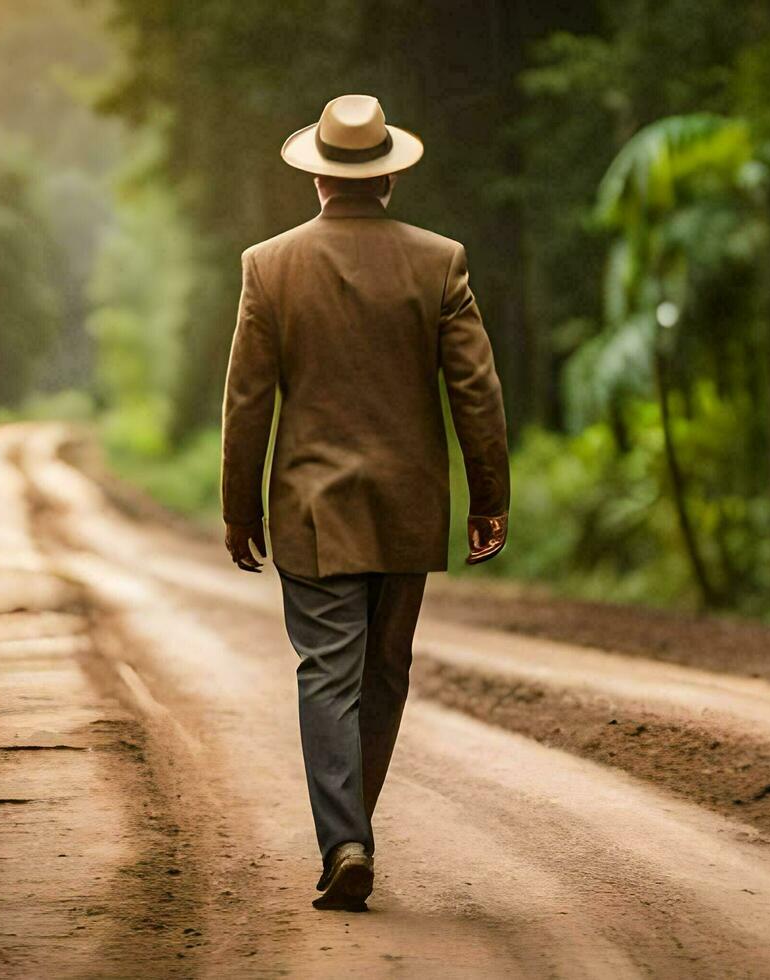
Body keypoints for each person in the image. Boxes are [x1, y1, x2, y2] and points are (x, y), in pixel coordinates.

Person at [219, 94, 510, 911]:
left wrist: (241, 508)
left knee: (326, 675)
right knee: (384, 674)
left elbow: (247, 400)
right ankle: (352, 832)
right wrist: (489, 498)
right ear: (387, 178)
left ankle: (346, 839)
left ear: (317, 177)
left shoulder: (268, 265)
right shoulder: (439, 261)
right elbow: (476, 393)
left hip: (311, 509)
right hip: (408, 507)